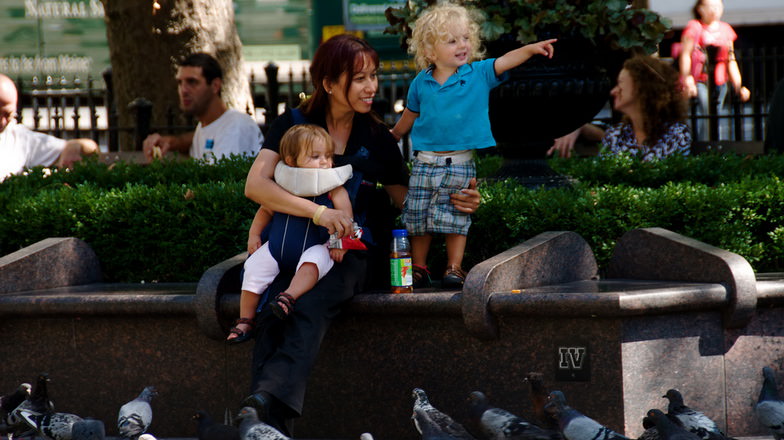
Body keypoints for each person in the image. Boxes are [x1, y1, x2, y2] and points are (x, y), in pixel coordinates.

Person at [240, 34, 480, 436]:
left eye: (374, 76)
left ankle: (262, 405)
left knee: (310, 299)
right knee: (275, 299)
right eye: (360, 78)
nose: (372, 88)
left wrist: (460, 200)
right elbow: (256, 187)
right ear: (330, 83)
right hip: (292, 246)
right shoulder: (292, 125)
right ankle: (265, 415)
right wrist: (318, 211)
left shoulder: (377, 138)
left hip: (354, 254)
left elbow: (409, 201)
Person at [389, 2, 555, 288]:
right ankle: (418, 267)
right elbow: (409, 116)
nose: (462, 45)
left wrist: (529, 49)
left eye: (466, 38)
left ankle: (454, 267)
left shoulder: (478, 73)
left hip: (460, 161)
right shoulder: (420, 82)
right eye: (452, 41)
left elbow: (505, 60)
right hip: (425, 161)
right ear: (430, 51)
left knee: (457, 215)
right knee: (418, 216)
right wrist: (391, 136)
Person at [226, 124, 354, 343]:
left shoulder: (334, 188)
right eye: (315, 156)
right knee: (254, 266)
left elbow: (345, 218)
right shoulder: (282, 185)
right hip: (277, 248)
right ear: (291, 160)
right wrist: (254, 235)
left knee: (314, 262)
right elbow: (265, 210)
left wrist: (339, 243)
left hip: (315, 245)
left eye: (328, 155)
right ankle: (245, 319)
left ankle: (289, 296)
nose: (324, 161)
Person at [142, 52, 262, 162]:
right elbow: (204, 135)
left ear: (215, 85)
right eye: (180, 83)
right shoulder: (205, 127)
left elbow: (222, 181)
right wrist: (171, 142)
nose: (183, 90)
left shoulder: (237, 126)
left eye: (192, 82)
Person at [0, 73, 98, 181]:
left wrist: (75, 145)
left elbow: (89, 148)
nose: (3, 121)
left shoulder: (19, 139)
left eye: (8, 114)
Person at [677, 0, 750, 140]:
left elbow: (731, 59)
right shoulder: (694, 27)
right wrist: (687, 78)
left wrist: (738, 85)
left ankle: (709, 143)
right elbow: (685, 54)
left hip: (720, 80)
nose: (714, 10)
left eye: (717, 7)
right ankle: (705, 144)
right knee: (708, 111)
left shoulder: (726, 29)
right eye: (710, 7)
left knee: (715, 113)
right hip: (701, 79)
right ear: (700, 9)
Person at [600, 55, 692, 161]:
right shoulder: (614, 135)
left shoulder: (676, 134)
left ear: (640, 88)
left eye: (620, 83)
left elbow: (668, 174)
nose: (613, 91)